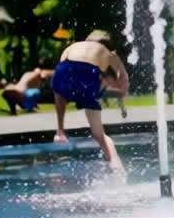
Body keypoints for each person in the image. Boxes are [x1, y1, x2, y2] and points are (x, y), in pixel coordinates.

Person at [51, 32, 126, 170]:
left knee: (58, 91)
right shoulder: (107, 52)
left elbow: (61, 72)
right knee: (99, 134)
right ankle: (115, 163)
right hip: (88, 72)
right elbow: (123, 77)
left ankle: (60, 131)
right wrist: (123, 90)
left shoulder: (73, 46)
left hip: (63, 68)